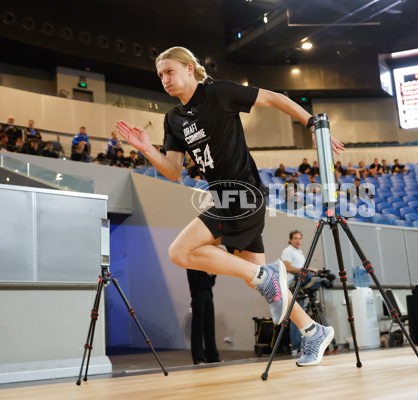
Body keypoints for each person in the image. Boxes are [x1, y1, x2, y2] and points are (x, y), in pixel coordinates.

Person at [115, 46, 343, 367]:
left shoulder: (219, 93)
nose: (164, 79)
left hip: (244, 194)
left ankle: (268, 277)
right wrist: (146, 149)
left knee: (179, 252)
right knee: (262, 284)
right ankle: (312, 329)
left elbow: (276, 98)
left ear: (190, 68)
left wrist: (311, 123)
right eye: (160, 75)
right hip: (222, 197)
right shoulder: (174, 119)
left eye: (170, 71)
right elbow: (172, 170)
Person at [280, 231, 319, 356]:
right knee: (297, 318)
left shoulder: (299, 253)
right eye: (295, 238)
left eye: (300, 238)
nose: (298, 241)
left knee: (302, 316)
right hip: (292, 286)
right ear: (290, 240)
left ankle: (303, 346)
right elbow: (288, 268)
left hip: (300, 285)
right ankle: (296, 348)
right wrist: (305, 270)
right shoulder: (288, 251)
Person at [186, 269, 221, 364]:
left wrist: (212, 274)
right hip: (198, 295)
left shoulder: (204, 264)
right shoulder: (192, 264)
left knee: (210, 327)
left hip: (208, 294)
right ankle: (198, 357)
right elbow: (195, 281)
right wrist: (206, 272)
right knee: (198, 328)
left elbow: (211, 283)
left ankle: (212, 356)